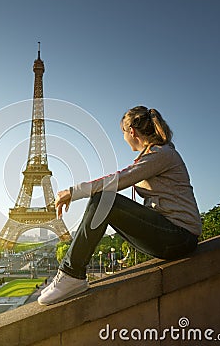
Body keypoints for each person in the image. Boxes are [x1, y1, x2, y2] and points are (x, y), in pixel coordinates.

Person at [38, 106, 201, 305]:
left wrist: (73, 191)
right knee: (103, 200)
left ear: (131, 132)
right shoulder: (154, 155)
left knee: (103, 200)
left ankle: (71, 274)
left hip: (180, 237)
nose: (123, 138)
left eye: (123, 133)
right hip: (172, 236)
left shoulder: (161, 154)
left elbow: (117, 180)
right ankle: (70, 274)